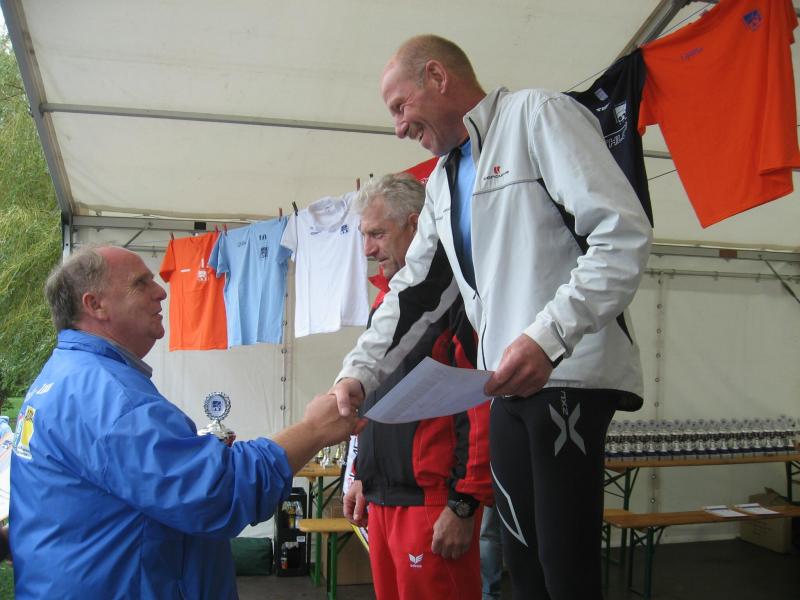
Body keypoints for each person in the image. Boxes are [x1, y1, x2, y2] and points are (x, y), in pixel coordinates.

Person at [331, 35, 653, 599]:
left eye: (400, 106)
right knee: (522, 568)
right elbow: (413, 292)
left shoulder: (537, 115)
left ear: (438, 77)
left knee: (564, 569)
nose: (398, 128)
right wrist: (359, 371)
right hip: (505, 386)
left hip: (569, 376)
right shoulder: (439, 182)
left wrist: (548, 337)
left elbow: (622, 234)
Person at [9, 245, 356, 600]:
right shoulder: (111, 397)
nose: (161, 292)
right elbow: (218, 492)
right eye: (140, 283)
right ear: (95, 305)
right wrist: (314, 429)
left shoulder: (63, 376)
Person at [342, 173, 492, 600]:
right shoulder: (386, 303)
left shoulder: (458, 299)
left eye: (377, 234)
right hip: (384, 500)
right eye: (364, 235)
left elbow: (481, 403)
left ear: (416, 225)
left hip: (433, 503)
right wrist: (362, 476)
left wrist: (464, 503)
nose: (367, 249)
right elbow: (374, 398)